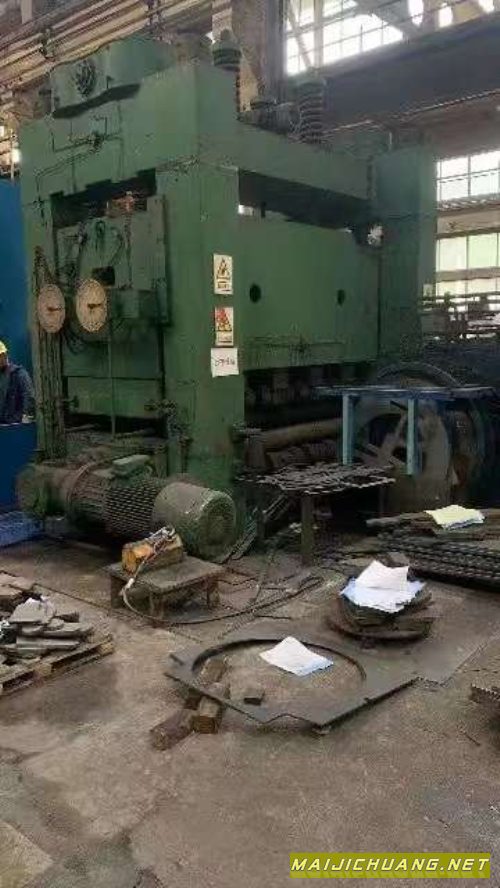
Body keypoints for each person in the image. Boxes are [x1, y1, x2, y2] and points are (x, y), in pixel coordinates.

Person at [0, 341, 35, 425]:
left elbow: (29, 395)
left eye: (1, 355)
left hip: (16, 425)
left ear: (5, 355)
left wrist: (26, 416)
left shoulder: (19, 374)